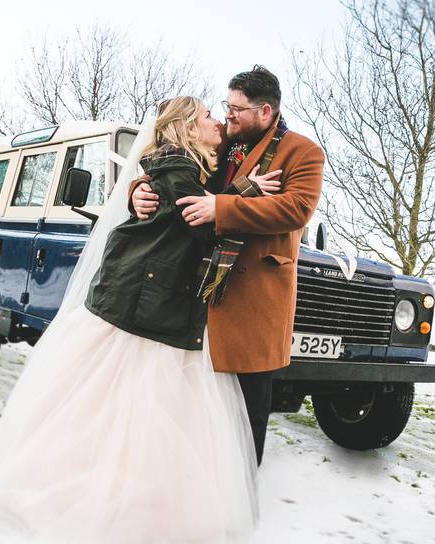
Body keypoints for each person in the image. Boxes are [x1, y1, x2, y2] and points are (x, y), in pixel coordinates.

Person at [0, 96, 280, 543]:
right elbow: (199, 218)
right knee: (130, 410)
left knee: (122, 412)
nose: (218, 121)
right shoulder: (178, 167)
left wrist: (142, 190)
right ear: (188, 128)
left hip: (151, 302)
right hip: (145, 305)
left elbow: (188, 203)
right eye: (209, 116)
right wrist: (247, 194)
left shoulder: (184, 165)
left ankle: (123, 505)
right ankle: (106, 511)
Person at [130, 65, 325, 466]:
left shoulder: (303, 152)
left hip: (255, 301)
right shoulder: (221, 143)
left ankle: (240, 499)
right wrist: (139, 192)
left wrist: (221, 207)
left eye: (236, 109)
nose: (227, 115)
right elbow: (174, 166)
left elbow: (295, 209)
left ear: (266, 112)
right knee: (193, 406)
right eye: (226, 106)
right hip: (197, 294)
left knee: (248, 411)